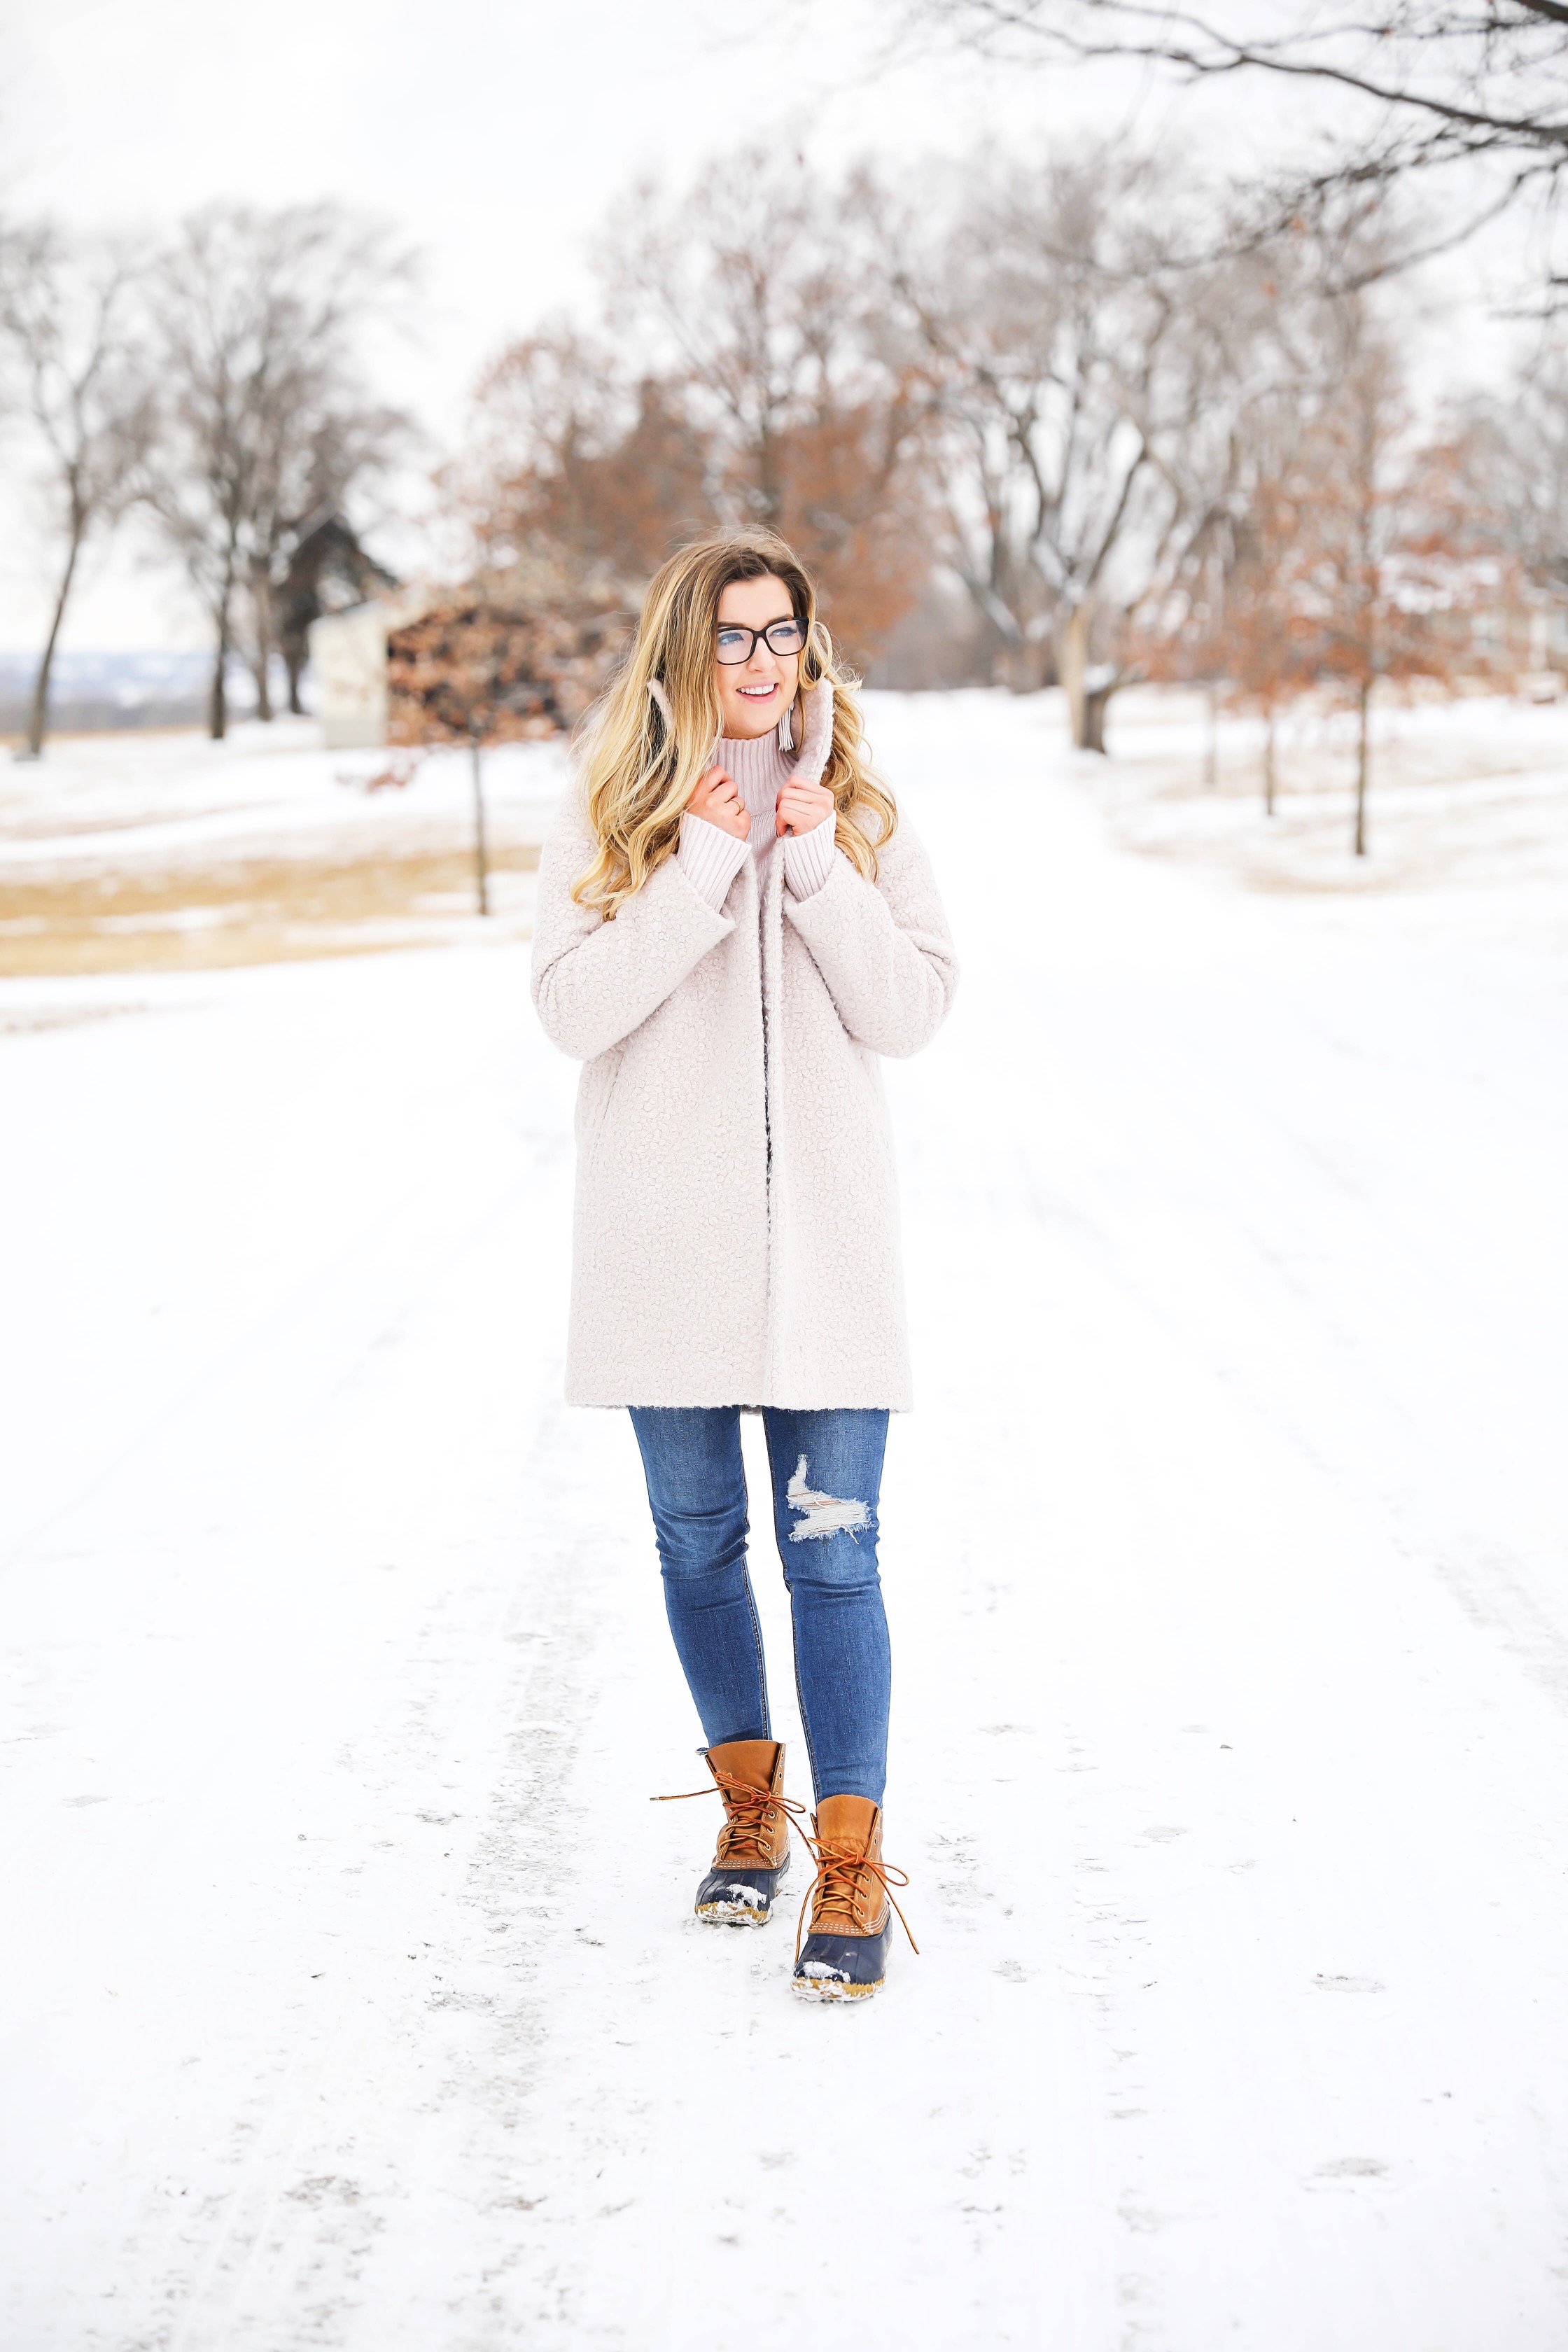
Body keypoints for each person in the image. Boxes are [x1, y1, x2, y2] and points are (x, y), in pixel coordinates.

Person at [531, 531, 957, 2001]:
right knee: (700, 1548)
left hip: (828, 1258)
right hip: (669, 1262)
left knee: (833, 1554)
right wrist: (703, 860)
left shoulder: (863, 810)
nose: (766, 662)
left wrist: (817, 869)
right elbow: (576, 1012)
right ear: (681, 654)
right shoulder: (613, 811)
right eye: (735, 637)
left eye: (785, 634)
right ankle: (749, 1813)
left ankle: (846, 1857)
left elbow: (909, 1012)